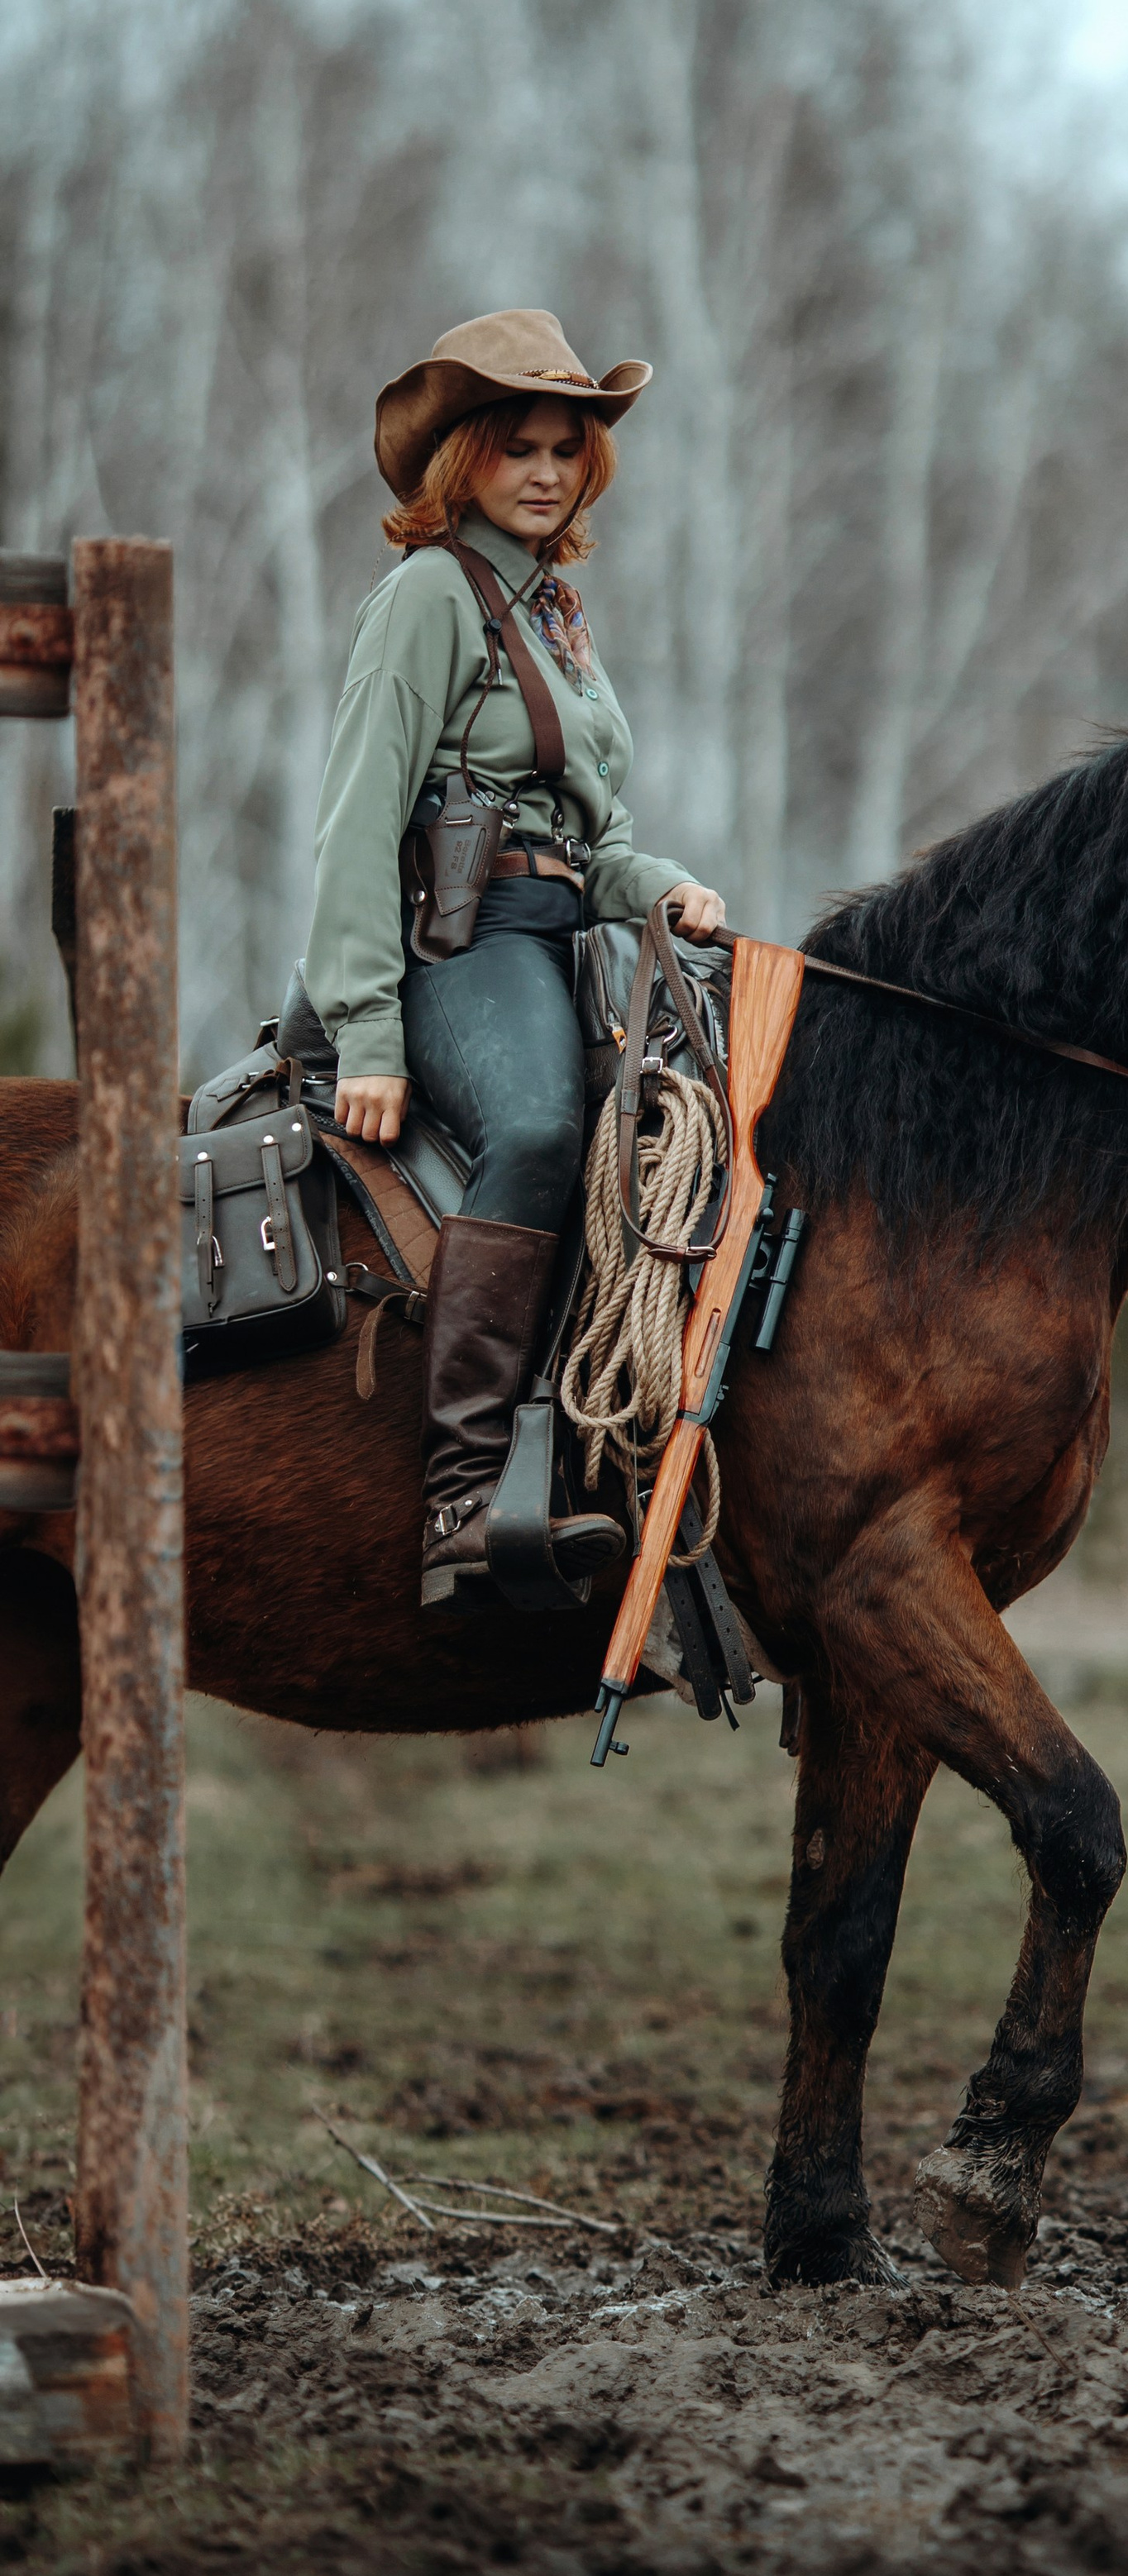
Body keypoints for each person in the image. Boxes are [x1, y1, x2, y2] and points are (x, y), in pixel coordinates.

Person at [305, 310, 725, 1609]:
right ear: (462, 461)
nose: (545, 471)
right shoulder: (429, 597)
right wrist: (369, 1036)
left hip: (561, 945)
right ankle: (462, 1500)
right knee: (542, 1132)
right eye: (517, 448)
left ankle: (627, 1480)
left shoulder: (555, 617)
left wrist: (669, 889)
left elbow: (588, 848)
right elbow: (360, 824)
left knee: (682, 1164)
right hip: (455, 946)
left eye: (565, 449)